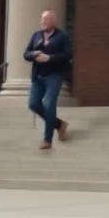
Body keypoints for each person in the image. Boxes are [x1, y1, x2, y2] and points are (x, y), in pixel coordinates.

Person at [24, 10, 72, 150]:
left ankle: (47, 139)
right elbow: (25, 54)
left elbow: (68, 55)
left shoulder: (62, 37)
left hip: (54, 75)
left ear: (53, 21)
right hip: (37, 76)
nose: (43, 21)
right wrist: (34, 54)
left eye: (46, 19)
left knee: (49, 104)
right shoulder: (36, 36)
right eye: (42, 19)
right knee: (33, 104)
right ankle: (59, 124)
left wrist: (49, 58)